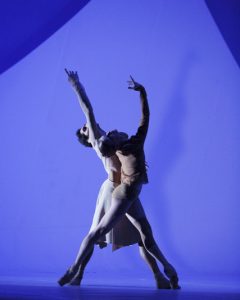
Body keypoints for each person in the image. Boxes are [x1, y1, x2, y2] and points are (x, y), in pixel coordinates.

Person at [58, 70, 180, 289]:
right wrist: (77, 86)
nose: (88, 127)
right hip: (112, 191)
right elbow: (88, 108)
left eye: (86, 126)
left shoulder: (112, 138)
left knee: (141, 237)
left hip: (127, 188)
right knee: (96, 234)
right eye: (85, 129)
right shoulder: (98, 141)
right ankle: (77, 273)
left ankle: (159, 276)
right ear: (88, 138)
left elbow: (142, 123)